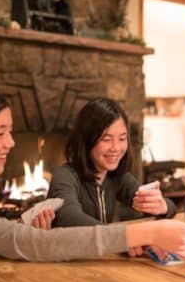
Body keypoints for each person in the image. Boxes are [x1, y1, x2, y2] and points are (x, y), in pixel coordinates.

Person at [0, 86, 185, 261]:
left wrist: (161, 207)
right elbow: (27, 242)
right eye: (0, 133)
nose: (10, 142)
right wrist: (144, 233)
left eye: (10, 132)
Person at [47, 98, 176, 228]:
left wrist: (161, 206)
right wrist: (122, 238)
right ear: (87, 139)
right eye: (106, 139)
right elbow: (69, 217)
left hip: (104, 248)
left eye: (122, 138)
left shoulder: (116, 176)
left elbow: (170, 207)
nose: (115, 147)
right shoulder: (64, 175)